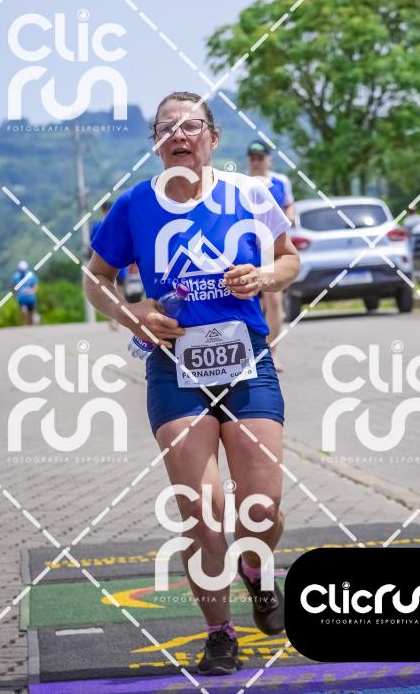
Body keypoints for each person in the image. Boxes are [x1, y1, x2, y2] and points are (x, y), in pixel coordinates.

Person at [84, 92, 300, 676]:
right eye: (166, 128)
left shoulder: (250, 194)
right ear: (155, 142)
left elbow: (289, 260)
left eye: (191, 126)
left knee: (261, 507)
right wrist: (132, 314)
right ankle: (220, 635)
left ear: (213, 137)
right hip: (174, 366)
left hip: (247, 360)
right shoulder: (134, 205)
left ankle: (254, 569)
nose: (179, 136)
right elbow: (96, 277)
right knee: (202, 509)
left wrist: (264, 276)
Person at [246, 140, 295, 371]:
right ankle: (251, 351)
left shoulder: (281, 181)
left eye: (260, 158)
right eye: (253, 158)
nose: (256, 162)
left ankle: (272, 352)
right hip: (248, 247)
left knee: (274, 300)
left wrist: (288, 219)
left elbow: (290, 206)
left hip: (270, 248)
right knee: (249, 300)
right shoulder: (241, 182)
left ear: (269, 160)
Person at [90, 202, 128, 329]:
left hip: (120, 266)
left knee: (120, 294)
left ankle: (122, 319)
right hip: (106, 266)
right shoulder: (98, 227)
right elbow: (93, 247)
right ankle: (114, 320)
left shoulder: (120, 225)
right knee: (111, 293)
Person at [11, 260, 38, 325]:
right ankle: (25, 326)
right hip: (21, 298)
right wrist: (14, 293)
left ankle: (31, 325)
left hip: (31, 298)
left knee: (31, 314)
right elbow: (13, 286)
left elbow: (36, 285)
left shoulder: (31, 276)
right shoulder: (16, 276)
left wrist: (32, 291)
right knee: (23, 312)